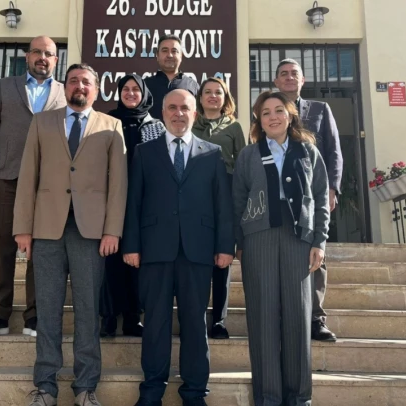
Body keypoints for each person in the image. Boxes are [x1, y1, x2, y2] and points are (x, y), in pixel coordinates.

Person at [13, 63, 127, 406]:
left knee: (88, 310)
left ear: (96, 89)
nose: (80, 86)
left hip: (90, 232)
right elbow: (28, 176)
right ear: (65, 87)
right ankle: (45, 387)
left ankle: (85, 387)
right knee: (47, 310)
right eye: (74, 80)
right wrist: (23, 228)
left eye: (86, 82)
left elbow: (118, 184)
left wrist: (112, 230)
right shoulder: (42, 122)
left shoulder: (111, 125)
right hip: (47, 228)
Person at [123, 89, 234, 406]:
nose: (178, 113)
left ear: (194, 114)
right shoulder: (145, 152)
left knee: (195, 324)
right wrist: (131, 244)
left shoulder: (212, 153)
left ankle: (195, 392)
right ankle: (151, 392)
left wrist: (225, 246)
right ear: (163, 113)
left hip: (198, 251)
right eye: (171, 107)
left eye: (184, 107)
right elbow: (134, 202)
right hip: (154, 250)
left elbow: (222, 205)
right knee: (155, 324)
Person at [234, 91, 329, 406]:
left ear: (290, 115)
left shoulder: (308, 152)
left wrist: (319, 241)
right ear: (259, 121)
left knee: (298, 318)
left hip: (298, 239)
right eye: (265, 113)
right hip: (257, 239)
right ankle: (268, 397)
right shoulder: (248, 155)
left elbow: (320, 198)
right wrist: (240, 242)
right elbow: (237, 201)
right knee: (262, 319)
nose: (272, 117)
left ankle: (299, 397)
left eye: (278, 110)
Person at [0, 35, 66, 339]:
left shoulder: (64, 93)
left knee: (42, 249)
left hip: (47, 184)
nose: (42, 57)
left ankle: (35, 315)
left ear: (55, 60)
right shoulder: (5, 87)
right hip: (6, 177)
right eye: (37, 52)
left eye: (48, 54)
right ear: (27, 56)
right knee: (1, 244)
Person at [273, 58, 342, 342]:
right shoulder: (269, 109)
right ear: (276, 81)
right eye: (284, 74)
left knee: (315, 252)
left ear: (303, 80)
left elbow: (334, 150)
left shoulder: (319, 109)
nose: (289, 77)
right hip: (278, 196)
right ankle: (284, 317)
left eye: (294, 74)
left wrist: (332, 188)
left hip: (312, 194)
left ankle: (316, 319)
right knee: (281, 254)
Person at [100, 74, 165, 338]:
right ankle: (107, 317)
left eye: (135, 89)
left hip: (143, 203)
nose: (130, 93)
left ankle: (132, 318)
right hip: (110, 200)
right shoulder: (107, 121)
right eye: (125, 89)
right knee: (109, 262)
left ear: (144, 93)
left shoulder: (155, 126)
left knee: (136, 260)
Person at [193, 77, 246, 340]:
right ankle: (196, 316)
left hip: (225, 194)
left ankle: (219, 321)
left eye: (218, 92)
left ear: (225, 98)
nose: (213, 96)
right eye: (208, 92)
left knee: (222, 259)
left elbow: (243, 163)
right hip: (195, 195)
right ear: (200, 97)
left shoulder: (234, 127)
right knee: (198, 258)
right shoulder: (190, 124)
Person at [144, 34, 201, 121]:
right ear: (157, 55)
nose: (169, 55)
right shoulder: (145, 85)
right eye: (165, 50)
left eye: (174, 51)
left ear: (181, 56)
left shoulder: (192, 86)